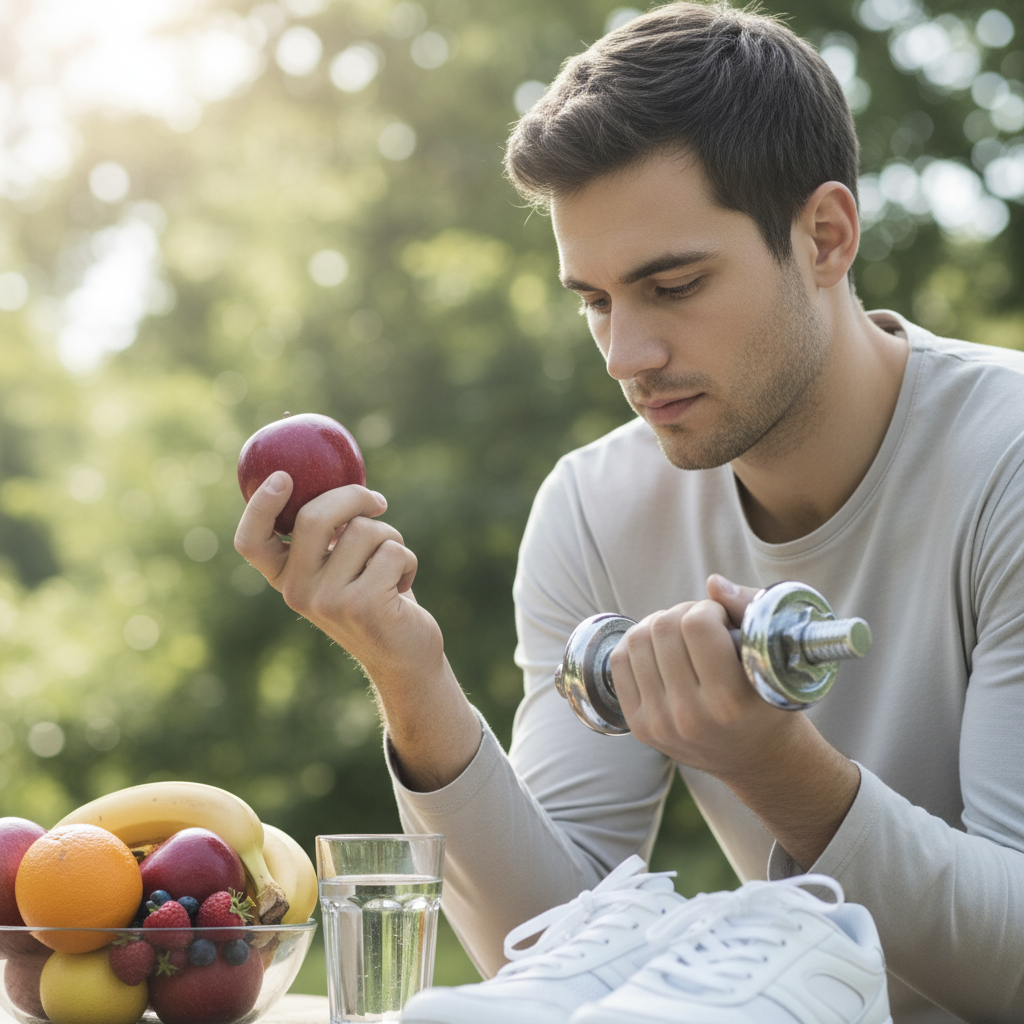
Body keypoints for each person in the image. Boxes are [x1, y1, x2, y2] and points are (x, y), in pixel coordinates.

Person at [234, 2, 1024, 1021]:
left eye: (674, 284)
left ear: (824, 236)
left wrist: (777, 768)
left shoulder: (1005, 458)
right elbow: (556, 952)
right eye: (597, 300)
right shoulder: (598, 506)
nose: (625, 355)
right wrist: (407, 673)